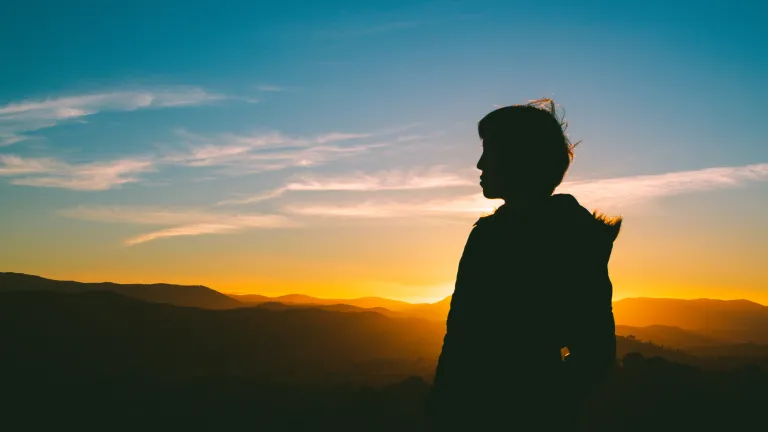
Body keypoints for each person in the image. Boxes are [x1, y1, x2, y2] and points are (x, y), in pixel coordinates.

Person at [426, 99, 621, 431]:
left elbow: (594, 353)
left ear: (520, 158)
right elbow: (461, 339)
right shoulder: (493, 235)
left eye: (490, 151)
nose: (479, 164)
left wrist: (540, 405)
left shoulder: (562, 240)